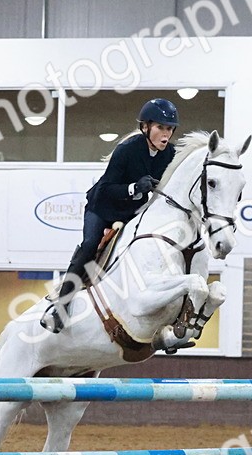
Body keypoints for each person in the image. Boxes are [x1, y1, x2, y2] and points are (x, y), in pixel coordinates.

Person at [40, 98, 179, 333]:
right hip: (102, 208)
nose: (166, 134)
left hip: (132, 212)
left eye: (169, 128)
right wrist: (134, 187)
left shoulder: (170, 154)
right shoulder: (127, 150)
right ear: (146, 127)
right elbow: (106, 188)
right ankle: (59, 308)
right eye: (160, 128)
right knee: (90, 245)